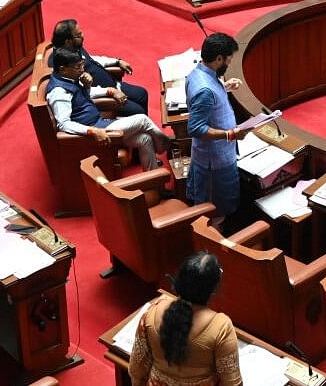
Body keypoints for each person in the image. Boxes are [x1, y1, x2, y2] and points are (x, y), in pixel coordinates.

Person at [46, 47, 169, 170]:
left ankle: (154, 182)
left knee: (145, 139)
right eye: (77, 67)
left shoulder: (69, 78)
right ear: (63, 69)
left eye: (82, 65)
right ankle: (168, 145)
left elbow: (83, 97)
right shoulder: (59, 92)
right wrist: (92, 131)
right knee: (143, 120)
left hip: (100, 123)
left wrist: (89, 86)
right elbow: (64, 124)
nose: (82, 70)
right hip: (93, 133)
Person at [129, 251, 240, 386]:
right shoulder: (221, 327)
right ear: (213, 290)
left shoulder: (153, 311)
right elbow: (232, 383)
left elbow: (137, 368)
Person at [185, 33, 249, 224]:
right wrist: (230, 134)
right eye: (227, 61)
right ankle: (213, 249)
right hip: (214, 164)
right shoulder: (205, 90)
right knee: (215, 214)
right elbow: (196, 128)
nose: (228, 65)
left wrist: (224, 86)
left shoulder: (198, 73)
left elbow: (208, 100)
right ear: (218, 58)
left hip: (214, 158)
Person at [50, 18, 149, 117]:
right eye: (78, 35)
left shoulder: (73, 47)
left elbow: (91, 59)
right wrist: (110, 91)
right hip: (106, 96)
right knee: (139, 111)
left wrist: (117, 61)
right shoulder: (64, 62)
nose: (83, 36)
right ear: (68, 41)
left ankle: (145, 130)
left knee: (142, 94)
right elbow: (81, 90)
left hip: (114, 85)